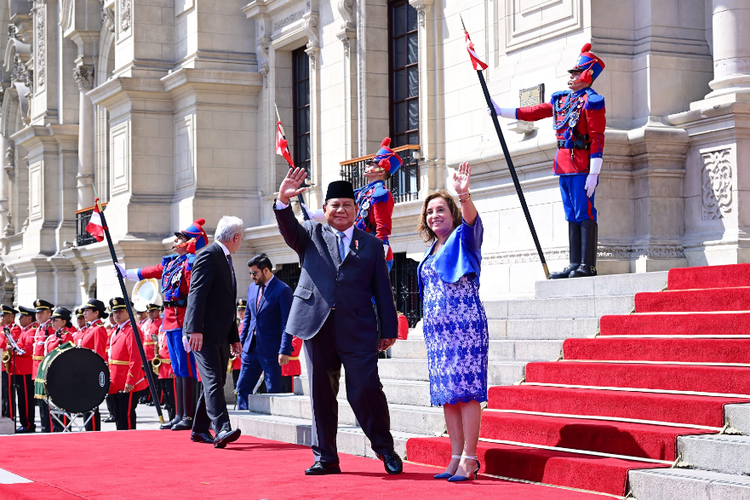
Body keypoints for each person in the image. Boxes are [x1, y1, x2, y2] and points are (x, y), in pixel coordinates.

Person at [275, 169, 402, 476]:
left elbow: (382, 290)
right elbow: (288, 228)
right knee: (321, 394)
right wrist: (282, 201)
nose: (341, 210)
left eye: (347, 204)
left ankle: (385, 450)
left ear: (356, 210)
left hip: (357, 330)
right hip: (316, 327)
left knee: (366, 389)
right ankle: (326, 457)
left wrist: (388, 329)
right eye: (335, 205)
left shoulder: (370, 245)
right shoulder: (310, 234)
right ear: (326, 209)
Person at [491, 43, 606, 279]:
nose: (572, 77)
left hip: (582, 164)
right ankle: (575, 263)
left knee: (584, 212)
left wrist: (594, 172)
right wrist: (502, 111)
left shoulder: (592, 101)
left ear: (586, 75)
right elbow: (535, 111)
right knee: (571, 213)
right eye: (572, 73)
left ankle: (588, 265)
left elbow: (597, 138)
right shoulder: (562, 100)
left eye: (576, 72)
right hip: (564, 164)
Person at [417, 162, 488, 482]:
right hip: (438, 334)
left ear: (452, 213)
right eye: (430, 211)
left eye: (441, 209)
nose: (435, 215)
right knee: (448, 393)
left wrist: (463, 194)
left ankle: (471, 459)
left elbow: (472, 220)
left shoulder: (464, 236)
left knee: (468, 392)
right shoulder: (431, 249)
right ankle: (455, 455)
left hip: (466, 330)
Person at [117, 219, 208, 430]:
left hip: (183, 321)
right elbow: (150, 271)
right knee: (177, 369)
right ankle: (179, 414)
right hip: (170, 321)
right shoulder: (171, 263)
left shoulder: (192, 263)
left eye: (181, 238)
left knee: (187, 369)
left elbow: (195, 297)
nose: (176, 240)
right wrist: (126, 273)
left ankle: (189, 416)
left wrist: (191, 327)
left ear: (191, 242)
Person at [184, 215, 244, 449]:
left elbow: (226, 303)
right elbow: (196, 294)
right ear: (236, 237)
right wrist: (194, 330)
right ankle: (222, 428)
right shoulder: (209, 255)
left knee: (216, 380)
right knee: (212, 381)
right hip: (204, 334)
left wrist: (234, 337)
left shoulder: (224, 258)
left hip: (219, 334)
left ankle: (199, 429)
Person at [236, 253, 293, 407]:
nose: (252, 276)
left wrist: (284, 350)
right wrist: (240, 343)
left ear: (266, 270)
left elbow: (287, 323)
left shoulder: (283, 290)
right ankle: (244, 423)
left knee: (273, 390)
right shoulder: (251, 289)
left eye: (255, 273)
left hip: (271, 350)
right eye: (250, 273)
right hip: (250, 348)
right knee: (242, 388)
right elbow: (248, 319)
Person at [354, 138, 402, 272]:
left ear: (381, 171)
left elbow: (383, 227)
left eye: (371, 164)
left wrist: (379, 256)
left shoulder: (380, 194)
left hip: (373, 252)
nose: (367, 166)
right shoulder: (362, 193)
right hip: (360, 249)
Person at [107, 297, 148, 430]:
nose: (117, 315)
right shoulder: (117, 331)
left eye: (120, 311)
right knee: (118, 416)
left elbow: (135, 358)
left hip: (127, 381)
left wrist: (130, 380)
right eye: (114, 312)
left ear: (128, 311)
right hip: (115, 380)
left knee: (127, 416)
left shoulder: (132, 330)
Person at [76, 299, 110, 431]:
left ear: (96, 313)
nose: (84, 313)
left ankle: (93, 431)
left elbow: (99, 353)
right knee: (86, 405)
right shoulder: (90, 328)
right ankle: (89, 430)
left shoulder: (98, 329)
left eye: (87, 310)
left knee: (91, 406)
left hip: (91, 372)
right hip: (85, 370)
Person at [30, 299, 55, 433]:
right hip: (37, 370)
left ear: (49, 314)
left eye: (41, 313)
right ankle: (45, 428)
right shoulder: (40, 328)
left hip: (45, 370)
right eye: (37, 313)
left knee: (47, 403)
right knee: (41, 403)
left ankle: (48, 429)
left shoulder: (50, 328)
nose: (38, 315)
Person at [13, 306, 37, 432]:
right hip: (20, 370)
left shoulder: (31, 331)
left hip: (26, 371)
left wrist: (13, 350)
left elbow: (27, 350)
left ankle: (28, 424)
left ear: (29, 318)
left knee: (26, 400)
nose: (20, 319)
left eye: (22, 316)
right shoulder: (25, 330)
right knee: (21, 399)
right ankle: (24, 423)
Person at [0, 304, 17, 423]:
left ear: (11, 317)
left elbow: (4, 344)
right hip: (1, 365)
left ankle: (10, 417)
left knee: (7, 394)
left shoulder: (13, 329)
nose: (1, 318)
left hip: (7, 366)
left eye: (4, 316)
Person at [230, 300, 246, 389]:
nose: (240, 312)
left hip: (243, 358)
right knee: (236, 385)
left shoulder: (246, 325)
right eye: (239, 310)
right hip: (235, 360)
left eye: (243, 311)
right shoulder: (236, 324)